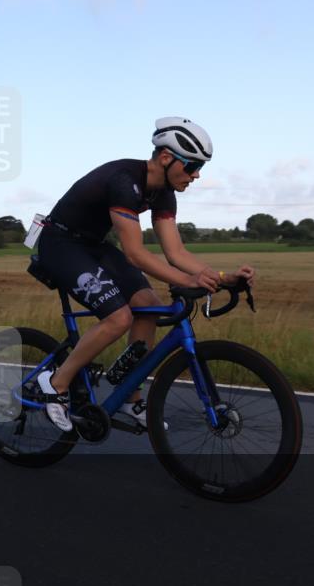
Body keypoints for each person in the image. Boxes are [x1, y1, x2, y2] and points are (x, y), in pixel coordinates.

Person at [35, 117, 256, 432]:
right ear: (166, 158)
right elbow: (135, 254)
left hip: (94, 245)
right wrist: (186, 281)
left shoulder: (164, 193)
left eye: (200, 168)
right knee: (118, 318)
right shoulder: (125, 181)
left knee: (148, 306)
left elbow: (176, 253)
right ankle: (55, 384)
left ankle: (130, 397)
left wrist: (222, 277)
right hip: (60, 243)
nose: (196, 175)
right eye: (192, 166)